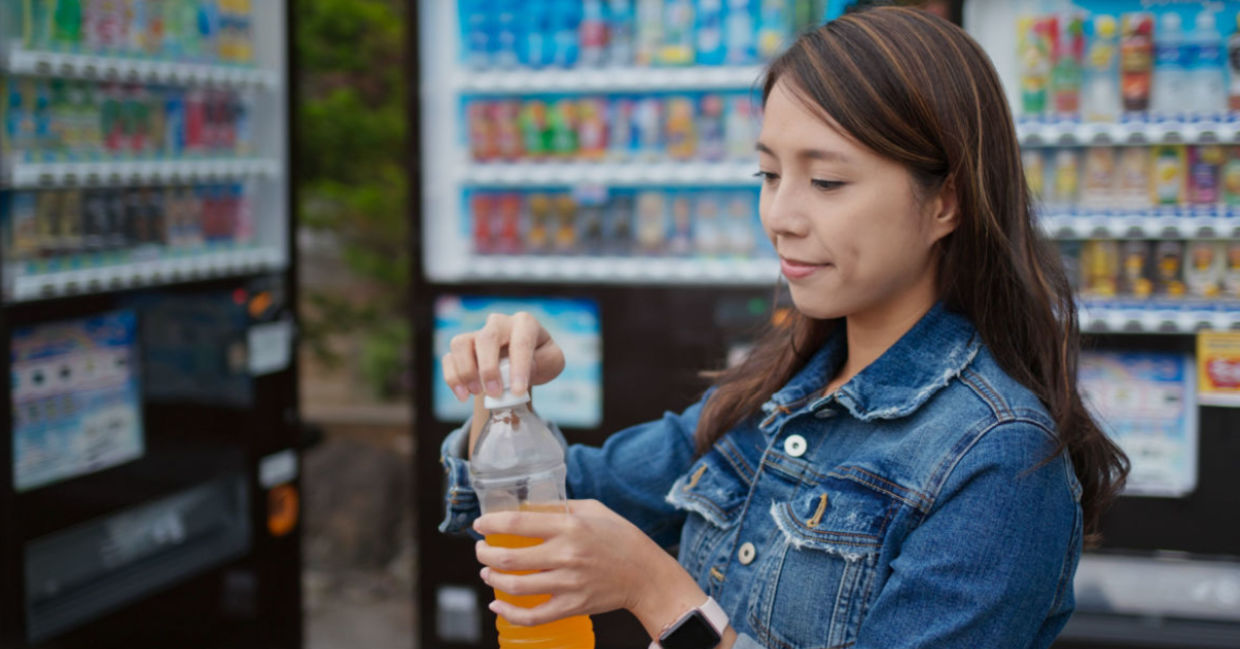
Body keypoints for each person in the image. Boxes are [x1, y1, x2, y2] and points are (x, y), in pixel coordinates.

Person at [438, 7, 1129, 648]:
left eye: (826, 182)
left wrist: (661, 594)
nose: (780, 215)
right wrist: (504, 400)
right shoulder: (778, 394)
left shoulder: (998, 459)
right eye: (768, 174)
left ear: (946, 199)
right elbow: (559, 502)